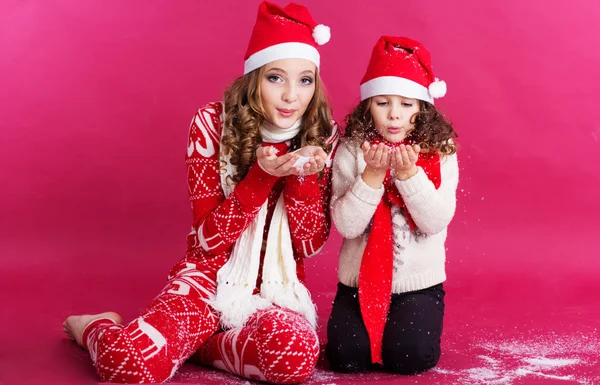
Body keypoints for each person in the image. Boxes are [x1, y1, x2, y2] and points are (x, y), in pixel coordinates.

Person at [63, 2, 339, 383]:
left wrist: (304, 179)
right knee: (131, 366)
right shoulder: (212, 123)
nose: (292, 95)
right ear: (255, 77)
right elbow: (208, 240)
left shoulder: (322, 135)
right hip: (209, 278)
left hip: (275, 289)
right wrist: (259, 176)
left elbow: (308, 245)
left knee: (293, 358)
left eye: (305, 80)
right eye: (276, 77)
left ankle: (194, 346)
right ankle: (94, 326)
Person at [325, 36, 458, 375]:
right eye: (383, 102)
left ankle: (406, 328)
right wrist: (371, 175)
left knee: (409, 357)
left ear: (423, 108)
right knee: (346, 358)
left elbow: (434, 221)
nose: (394, 115)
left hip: (417, 286)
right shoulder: (354, 150)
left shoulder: (440, 151)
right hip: (357, 285)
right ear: (368, 104)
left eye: (407, 105)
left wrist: (408, 174)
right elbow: (347, 226)